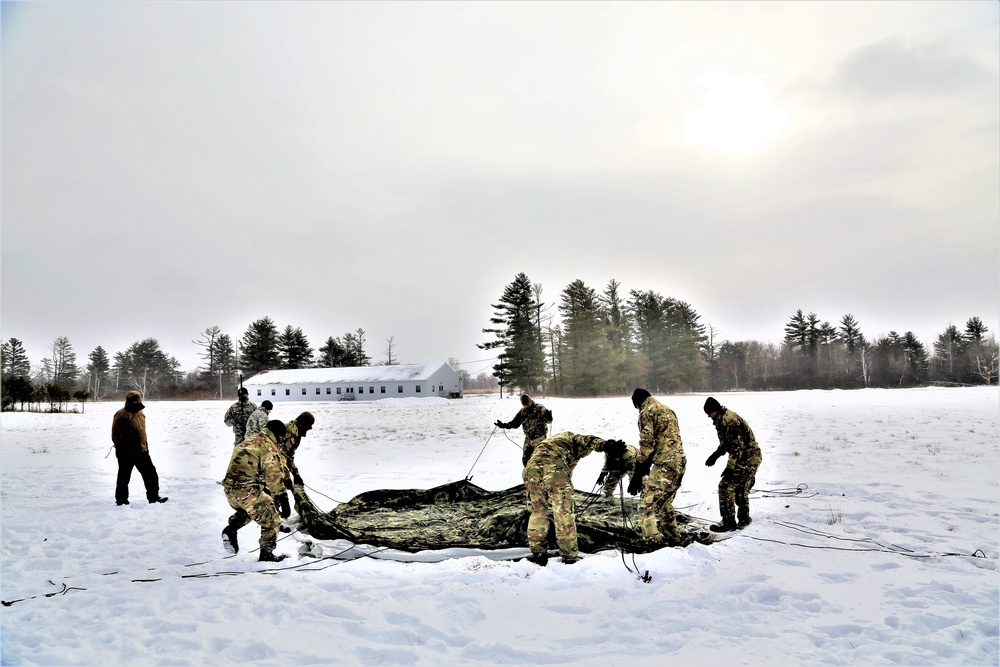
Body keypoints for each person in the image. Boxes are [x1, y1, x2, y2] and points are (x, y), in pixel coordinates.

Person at [522, 431, 627, 565]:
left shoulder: (553, 442)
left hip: (530, 470)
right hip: (554, 470)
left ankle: (539, 553)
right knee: (563, 515)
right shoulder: (572, 438)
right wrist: (605, 445)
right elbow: (589, 440)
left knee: (538, 512)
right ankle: (569, 556)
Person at [221, 420, 290, 562]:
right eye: (281, 438)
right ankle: (267, 555)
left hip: (230, 491)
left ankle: (231, 528)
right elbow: (274, 478)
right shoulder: (268, 447)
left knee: (254, 510)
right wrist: (284, 498)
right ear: (278, 435)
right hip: (247, 491)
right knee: (272, 520)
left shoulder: (250, 440)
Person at [626, 388, 686, 545]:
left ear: (638, 403)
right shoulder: (668, 410)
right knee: (664, 503)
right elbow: (666, 439)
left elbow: (647, 444)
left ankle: (653, 544)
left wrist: (638, 472)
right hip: (680, 461)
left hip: (665, 465)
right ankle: (673, 539)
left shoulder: (646, 412)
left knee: (646, 505)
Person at [703, 397, 763, 532]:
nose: (708, 416)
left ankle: (728, 522)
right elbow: (726, 444)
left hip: (748, 458)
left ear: (715, 410)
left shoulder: (729, 421)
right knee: (740, 488)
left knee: (726, 486)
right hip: (746, 456)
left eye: (709, 413)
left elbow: (737, 447)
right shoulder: (720, 419)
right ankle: (744, 519)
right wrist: (716, 455)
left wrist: (730, 468)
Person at [111, 390, 168, 505]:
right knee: (124, 477)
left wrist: (145, 446)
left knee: (151, 474)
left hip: (142, 451)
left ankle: (154, 497)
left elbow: (141, 432)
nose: (139, 402)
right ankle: (121, 501)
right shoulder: (122, 414)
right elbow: (115, 435)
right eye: (137, 400)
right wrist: (122, 449)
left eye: (140, 399)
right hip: (126, 453)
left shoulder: (140, 413)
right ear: (130, 401)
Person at [274, 411, 315, 518]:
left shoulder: (297, 432)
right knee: (277, 488)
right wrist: (287, 477)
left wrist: (296, 474)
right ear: (303, 424)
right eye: (309, 426)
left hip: (275, 463)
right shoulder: (291, 432)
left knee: (280, 488)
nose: (310, 429)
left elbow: (289, 456)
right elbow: (280, 456)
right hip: (271, 464)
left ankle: (277, 516)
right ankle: (274, 518)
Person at [495, 394, 553, 466]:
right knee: (526, 460)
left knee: (539, 460)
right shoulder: (523, 411)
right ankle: (529, 475)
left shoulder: (539, 408)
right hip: (528, 439)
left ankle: (540, 476)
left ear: (530, 401)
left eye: (527, 404)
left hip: (540, 438)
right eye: (524, 405)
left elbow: (548, 421)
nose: (525, 406)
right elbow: (515, 423)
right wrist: (504, 425)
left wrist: (549, 417)